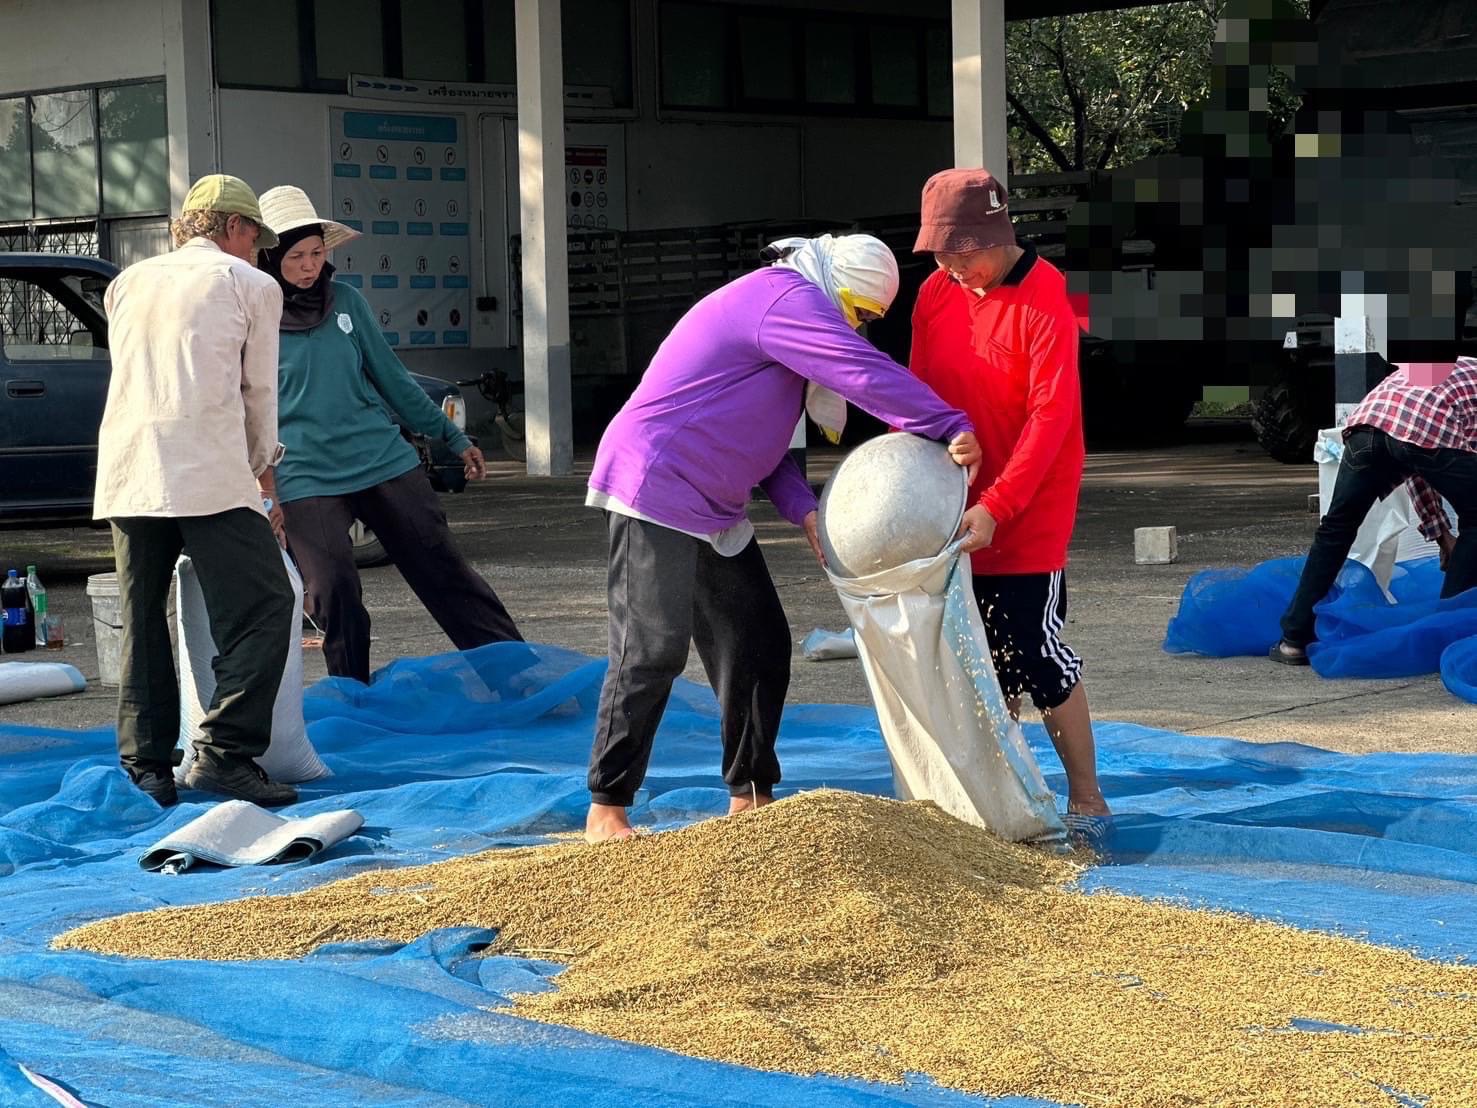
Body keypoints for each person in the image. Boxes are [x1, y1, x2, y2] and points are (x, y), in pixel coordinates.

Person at [583, 232, 982, 844]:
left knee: (758, 641)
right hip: (655, 484)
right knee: (652, 648)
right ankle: (606, 808)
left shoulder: (791, 318)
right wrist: (947, 422)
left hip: (713, 503)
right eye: (858, 313)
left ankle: (750, 796)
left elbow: (770, 450)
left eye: (869, 320)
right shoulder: (782, 298)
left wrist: (807, 513)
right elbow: (861, 372)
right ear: (837, 287)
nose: (857, 327)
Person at [907, 167, 1111, 833]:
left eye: (962, 254)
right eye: (940, 255)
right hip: (951, 501)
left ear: (996, 235)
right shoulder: (935, 292)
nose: (952, 268)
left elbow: (1051, 418)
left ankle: (1086, 796)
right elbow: (916, 391)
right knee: (978, 659)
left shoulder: (1047, 295)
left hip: (1027, 508)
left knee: (1034, 649)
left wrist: (997, 506)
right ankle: (1005, 792)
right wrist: (931, 454)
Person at [255, 186, 523, 684]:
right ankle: (353, 695)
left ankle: (517, 679)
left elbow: (394, 380)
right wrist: (262, 488)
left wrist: (453, 437)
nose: (309, 266)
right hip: (305, 474)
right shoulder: (255, 315)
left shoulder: (347, 302)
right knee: (332, 590)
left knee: (446, 573)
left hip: (382, 460)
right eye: (296, 257)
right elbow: (245, 407)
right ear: (270, 258)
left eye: (316, 253)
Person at [96, 174, 298, 808]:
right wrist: (265, 481)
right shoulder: (250, 284)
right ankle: (223, 752)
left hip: (130, 469)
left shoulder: (127, 282)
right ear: (234, 227)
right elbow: (258, 393)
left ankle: (146, 769)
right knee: (266, 606)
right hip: (209, 468)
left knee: (143, 618)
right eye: (256, 238)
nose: (259, 252)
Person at [1271, 358, 1477, 664]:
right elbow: (1435, 450)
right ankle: (1444, 636)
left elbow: (1416, 463)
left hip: (1366, 426)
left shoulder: (1452, 369)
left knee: (1336, 528)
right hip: (1421, 426)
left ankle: (1294, 640)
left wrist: (1442, 535)